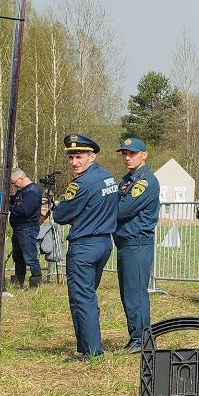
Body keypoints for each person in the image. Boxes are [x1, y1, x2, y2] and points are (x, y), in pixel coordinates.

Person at [51, 134, 118, 362]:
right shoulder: (107, 177)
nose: (74, 162)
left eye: (79, 156)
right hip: (103, 244)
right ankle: (88, 346)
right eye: (71, 157)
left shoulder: (81, 184)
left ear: (92, 156)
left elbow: (60, 215)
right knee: (87, 296)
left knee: (82, 298)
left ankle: (91, 351)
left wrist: (72, 214)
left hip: (84, 245)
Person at [114, 137, 159, 351]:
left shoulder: (145, 181)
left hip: (137, 242)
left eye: (132, 153)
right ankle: (136, 336)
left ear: (144, 154)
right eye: (124, 153)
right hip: (126, 241)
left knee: (135, 293)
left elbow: (123, 209)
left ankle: (141, 340)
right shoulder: (127, 180)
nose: (127, 157)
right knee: (127, 292)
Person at [7, 167, 43, 289]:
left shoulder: (32, 192)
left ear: (21, 179)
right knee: (18, 257)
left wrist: (8, 208)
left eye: (14, 183)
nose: (14, 185)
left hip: (27, 229)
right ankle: (18, 281)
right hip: (18, 229)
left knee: (30, 257)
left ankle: (35, 283)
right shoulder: (22, 191)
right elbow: (15, 202)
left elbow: (24, 210)